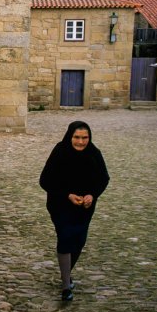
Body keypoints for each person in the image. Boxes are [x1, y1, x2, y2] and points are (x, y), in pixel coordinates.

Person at [39, 121, 110, 301]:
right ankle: (65, 287)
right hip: (60, 204)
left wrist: (92, 195)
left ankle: (66, 273)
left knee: (79, 241)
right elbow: (45, 180)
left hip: (84, 207)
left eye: (84, 138)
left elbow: (103, 178)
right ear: (70, 136)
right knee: (65, 237)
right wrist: (67, 194)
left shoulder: (94, 154)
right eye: (77, 137)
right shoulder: (60, 152)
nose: (80, 142)